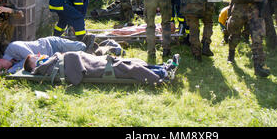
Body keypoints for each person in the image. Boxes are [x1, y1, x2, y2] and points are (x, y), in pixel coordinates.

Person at [23, 51, 181, 86]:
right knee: (129, 67)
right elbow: (75, 75)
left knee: (131, 61)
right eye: (36, 57)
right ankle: (163, 77)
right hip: (95, 68)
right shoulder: (45, 68)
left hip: (93, 61)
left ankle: (163, 68)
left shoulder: (51, 61)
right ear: (34, 64)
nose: (40, 55)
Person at [0, 35, 91, 75]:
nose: (5, 67)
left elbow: (30, 58)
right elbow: (26, 66)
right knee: (76, 57)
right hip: (53, 57)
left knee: (81, 46)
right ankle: (90, 53)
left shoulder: (13, 47)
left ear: (0, 60)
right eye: (2, 69)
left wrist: (9, 71)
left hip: (51, 44)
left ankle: (89, 43)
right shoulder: (13, 63)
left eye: (2, 66)